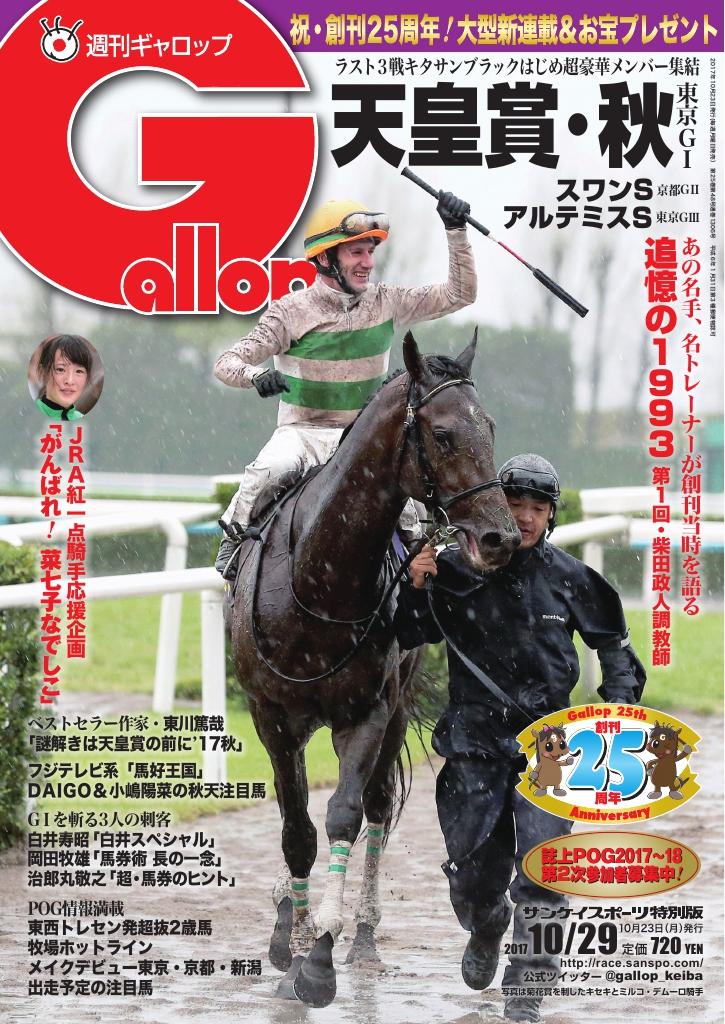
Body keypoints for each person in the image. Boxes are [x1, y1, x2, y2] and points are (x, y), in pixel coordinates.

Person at [394, 453, 646, 1023]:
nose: (526, 518)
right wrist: (415, 585)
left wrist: (618, 711)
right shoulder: (454, 570)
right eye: (515, 505)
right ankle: (486, 926)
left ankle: (526, 993)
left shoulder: (574, 578)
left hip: (553, 749)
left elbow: (617, 653)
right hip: (472, 745)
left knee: (543, 872)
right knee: (473, 878)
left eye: (537, 508)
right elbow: (409, 632)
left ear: (551, 515)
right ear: (495, 508)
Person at [214, 192, 476, 577]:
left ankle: (420, 587)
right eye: (356, 253)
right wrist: (256, 376)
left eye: (370, 252)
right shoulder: (290, 311)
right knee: (267, 471)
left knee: (413, 510)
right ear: (325, 258)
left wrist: (456, 231)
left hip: (365, 437)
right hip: (303, 434)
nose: (368, 263)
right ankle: (233, 545)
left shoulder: (386, 301)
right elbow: (226, 362)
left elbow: (460, 294)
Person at [34, 334, 91, 421]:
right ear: (43, 373)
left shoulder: (84, 420)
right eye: (60, 369)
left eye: (79, 371)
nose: (70, 381)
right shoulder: (30, 415)